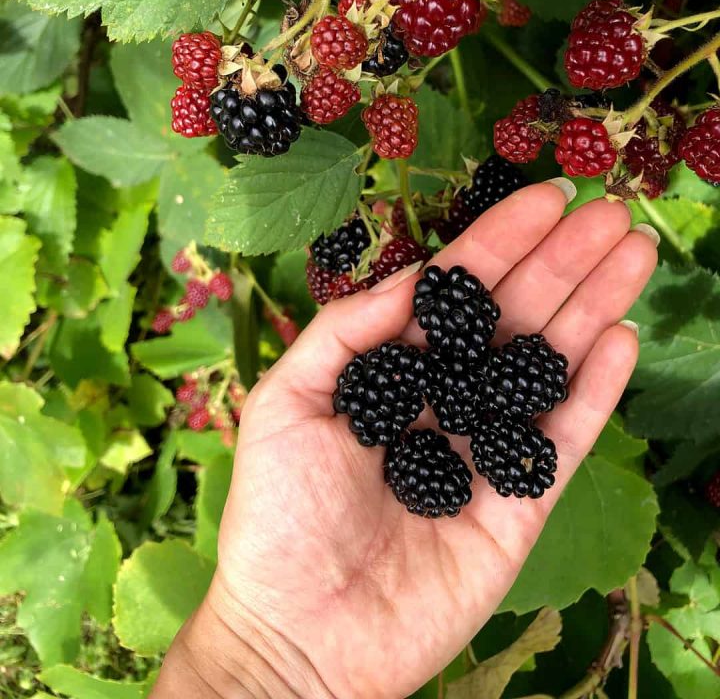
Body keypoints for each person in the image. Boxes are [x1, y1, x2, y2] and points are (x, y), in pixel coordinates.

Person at [151, 179, 659, 699]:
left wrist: (265, 658)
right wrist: (266, 650)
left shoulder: (457, 392)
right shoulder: (431, 399)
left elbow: (473, 398)